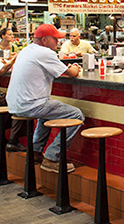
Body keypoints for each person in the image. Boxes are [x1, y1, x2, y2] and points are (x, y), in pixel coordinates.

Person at [6, 24, 84, 173]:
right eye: (55, 39)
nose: (58, 42)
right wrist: (76, 67)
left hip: (15, 103)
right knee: (76, 114)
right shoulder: (44, 53)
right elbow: (72, 73)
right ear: (45, 39)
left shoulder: (26, 50)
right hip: (31, 105)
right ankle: (52, 157)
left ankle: (35, 151)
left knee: (45, 114)